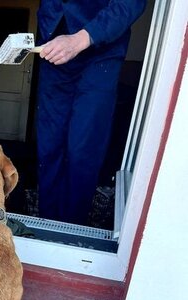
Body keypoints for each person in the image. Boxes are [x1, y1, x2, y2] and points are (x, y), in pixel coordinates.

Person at [36, 0, 146, 225]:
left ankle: (72, 231)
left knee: (83, 150)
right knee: (49, 146)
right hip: (53, 49)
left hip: (101, 54)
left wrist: (80, 39)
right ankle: (47, 225)